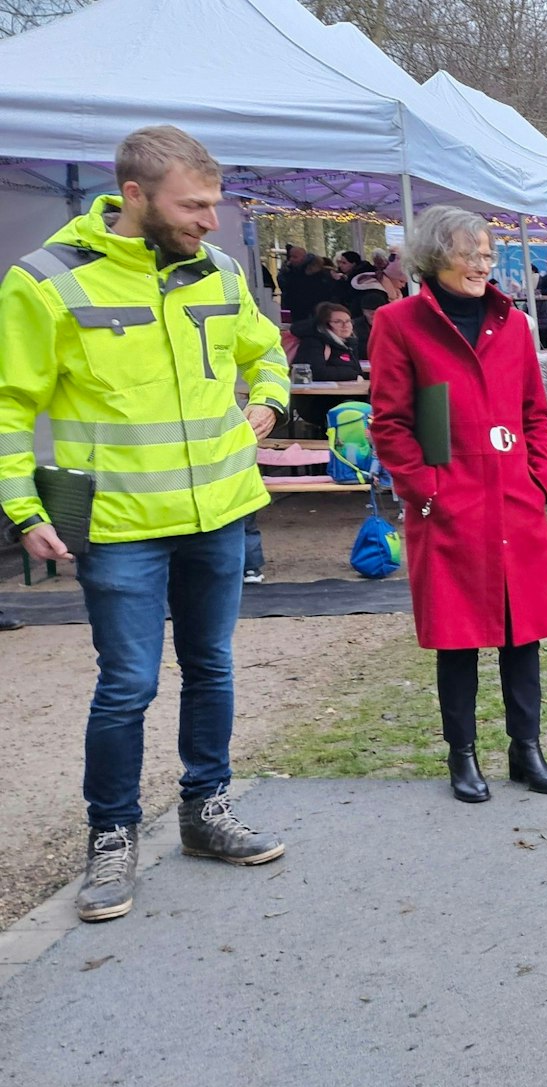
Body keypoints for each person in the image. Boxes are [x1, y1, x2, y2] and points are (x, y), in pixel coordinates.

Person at [0, 125, 292, 922]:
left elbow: (265, 350)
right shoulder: (47, 281)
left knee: (213, 667)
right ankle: (112, 837)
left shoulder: (221, 270)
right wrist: (24, 508)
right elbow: (9, 407)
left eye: (214, 202)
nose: (211, 219)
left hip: (220, 512)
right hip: (121, 522)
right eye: (193, 204)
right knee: (126, 685)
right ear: (134, 196)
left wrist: (268, 397)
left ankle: (206, 811)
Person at [369, 206, 547, 803]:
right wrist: (427, 490)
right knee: (458, 638)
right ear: (436, 257)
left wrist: (540, 477)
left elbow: (535, 411)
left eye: (488, 254)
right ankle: (463, 754)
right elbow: (392, 423)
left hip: (513, 499)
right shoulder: (399, 324)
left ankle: (526, 748)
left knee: (521, 632)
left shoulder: (512, 324)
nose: (484, 265)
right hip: (448, 506)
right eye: (471, 254)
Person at [300, 301, 366, 381]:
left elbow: (357, 371)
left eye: (348, 321)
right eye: (338, 322)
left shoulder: (350, 343)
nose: (345, 325)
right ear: (325, 325)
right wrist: (352, 374)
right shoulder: (313, 342)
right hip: (319, 392)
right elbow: (316, 372)